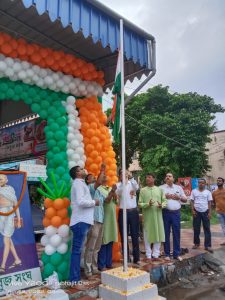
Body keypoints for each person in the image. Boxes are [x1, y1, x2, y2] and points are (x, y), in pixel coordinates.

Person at [69, 166, 99, 286]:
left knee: (77, 251)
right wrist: (94, 202)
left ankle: (75, 278)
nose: (84, 169)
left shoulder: (81, 184)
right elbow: (81, 202)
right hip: (80, 221)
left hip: (83, 221)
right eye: (81, 169)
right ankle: (74, 280)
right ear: (77, 173)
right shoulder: (78, 184)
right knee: (77, 251)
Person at [139, 173, 167, 261]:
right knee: (147, 235)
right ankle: (148, 253)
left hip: (157, 216)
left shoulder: (159, 190)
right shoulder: (143, 190)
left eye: (149, 177)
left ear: (154, 179)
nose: (147, 179)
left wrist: (161, 205)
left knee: (158, 233)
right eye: (146, 177)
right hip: (147, 217)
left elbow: (165, 202)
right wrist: (148, 204)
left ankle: (156, 253)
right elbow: (139, 204)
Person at [160, 173, 187, 261]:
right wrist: (165, 196)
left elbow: (185, 199)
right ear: (165, 179)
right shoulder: (161, 188)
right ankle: (167, 254)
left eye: (170, 176)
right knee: (166, 234)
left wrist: (178, 197)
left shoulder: (178, 188)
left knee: (176, 233)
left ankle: (176, 254)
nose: (168, 177)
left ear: (173, 178)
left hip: (176, 213)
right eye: (166, 176)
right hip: (165, 213)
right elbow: (157, 200)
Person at [116, 170, 140, 265]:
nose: (124, 174)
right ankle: (126, 257)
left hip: (133, 212)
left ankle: (136, 258)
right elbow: (119, 192)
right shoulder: (118, 185)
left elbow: (136, 187)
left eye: (125, 173)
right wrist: (123, 182)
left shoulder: (132, 183)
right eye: (121, 173)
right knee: (123, 235)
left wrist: (130, 178)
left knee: (135, 235)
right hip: (123, 212)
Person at [0, 174, 22, 273]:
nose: (0, 179)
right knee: (8, 239)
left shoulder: (10, 189)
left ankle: (3, 265)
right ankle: (17, 260)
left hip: (10, 215)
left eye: (2, 178)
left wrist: (18, 219)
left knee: (6, 239)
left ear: (7, 180)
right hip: (1, 216)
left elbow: (15, 205)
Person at [98, 177, 118, 271]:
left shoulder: (110, 188)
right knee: (103, 241)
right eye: (103, 176)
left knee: (110, 240)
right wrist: (112, 191)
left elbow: (116, 200)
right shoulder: (99, 189)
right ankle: (101, 265)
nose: (105, 177)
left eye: (106, 176)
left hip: (112, 218)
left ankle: (109, 263)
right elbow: (106, 201)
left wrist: (113, 192)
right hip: (104, 218)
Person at [191, 178, 213, 253]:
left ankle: (208, 245)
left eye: (202, 183)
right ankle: (196, 243)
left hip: (205, 212)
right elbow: (192, 201)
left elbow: (210, 203)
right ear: (198, 184)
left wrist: (210, 212)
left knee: (207, 229)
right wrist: (192, 210)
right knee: (196, 228)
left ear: (205, 184)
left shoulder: (208, 192)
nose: (201, 184)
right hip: (196, 212)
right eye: (199, 183)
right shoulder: (194, 191)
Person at [212, 177, 225, 246]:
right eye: (217, 181)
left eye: (220, 181)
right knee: (223, 227)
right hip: (219, 213)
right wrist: (215, 209)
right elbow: (213, 202)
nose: (218, 182)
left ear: (223, 182)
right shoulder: (214, 193)